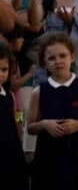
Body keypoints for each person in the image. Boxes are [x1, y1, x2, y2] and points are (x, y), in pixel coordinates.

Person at [27, 33, 78, 190]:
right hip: (49, 153)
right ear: (44, 62)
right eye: (52, 58)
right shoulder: (39, 92)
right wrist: (45, 124)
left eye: (62, 55)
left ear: (72, 57)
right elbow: (30, 127)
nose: (58, 61)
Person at [0, 41, 27, 190]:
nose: (0, 74)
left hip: (10, 145)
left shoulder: (10, 95)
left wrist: (19, 128)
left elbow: (18, 114)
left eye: (4, 69)